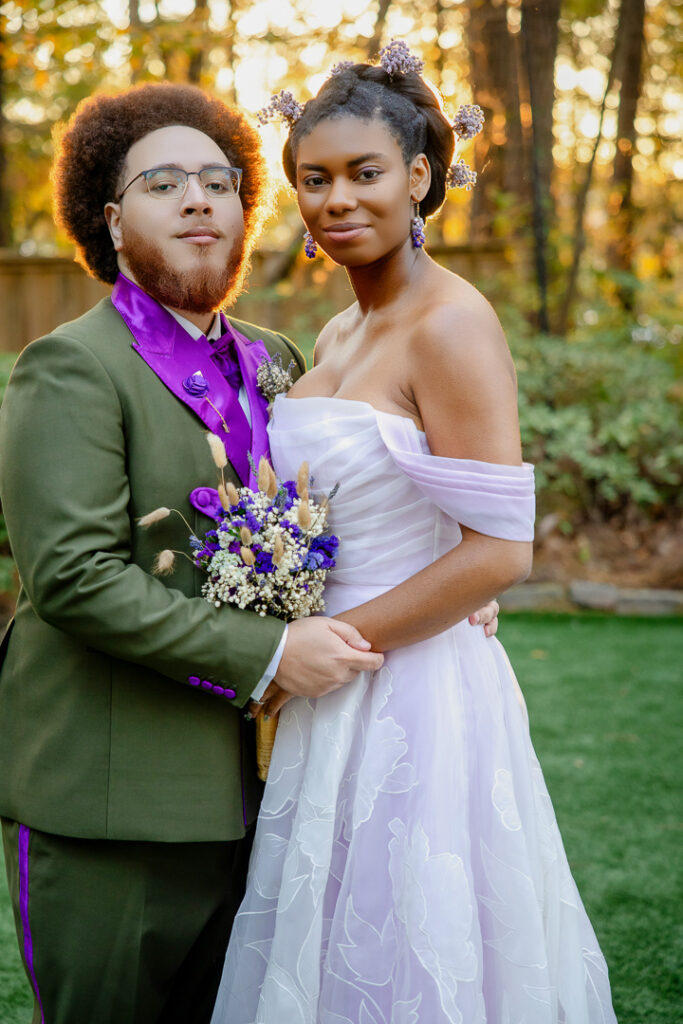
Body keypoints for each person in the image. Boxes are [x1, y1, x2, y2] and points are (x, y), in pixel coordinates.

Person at [0, 82, 497, 1023]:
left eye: (217, 180)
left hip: (275, 796)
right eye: (162, 181)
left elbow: (351, 506)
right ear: (110, 220)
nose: (196, 198)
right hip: (115, 805)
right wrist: (272, 655)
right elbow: (72, 577)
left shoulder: (280, 359)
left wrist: (446, 581)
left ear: (243, 207)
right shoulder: (70, 365)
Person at [211, 47, 617, 1024]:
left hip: (413, 694)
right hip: (330, 683)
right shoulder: (340, 332)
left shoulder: (450, 323)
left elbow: (497, 552)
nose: (335, 199)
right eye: (314, 178)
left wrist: (319, 649)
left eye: (363, 173)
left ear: (419, 176)